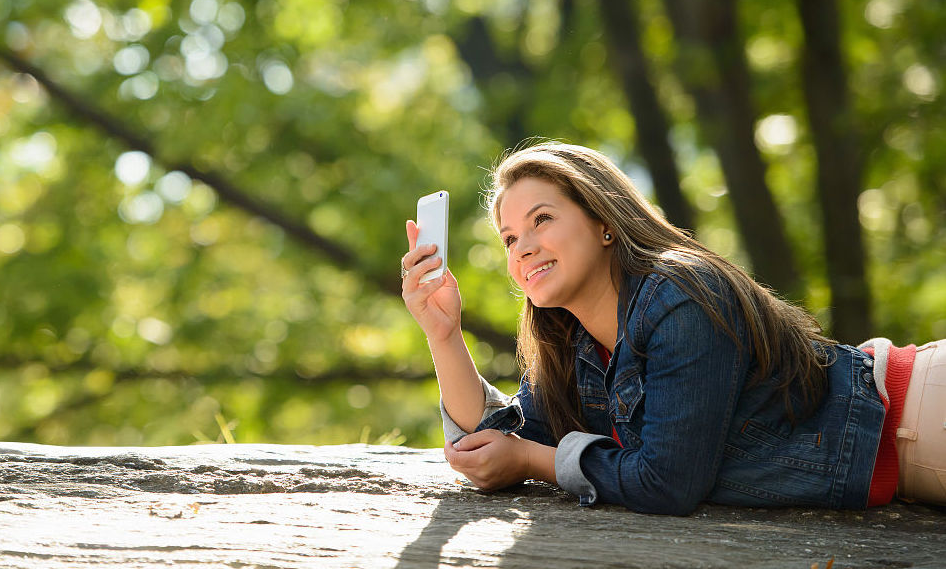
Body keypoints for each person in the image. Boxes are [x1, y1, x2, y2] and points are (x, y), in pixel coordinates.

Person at [400, 141, 945, 515]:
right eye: (510, 238)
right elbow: (494, 440)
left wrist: (532, 462)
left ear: (604, 221)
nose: (524, 248)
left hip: (922, 413)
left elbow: (667, 482)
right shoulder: (576, 344)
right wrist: (442, 333)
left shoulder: (680, 297)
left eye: (542, 219)